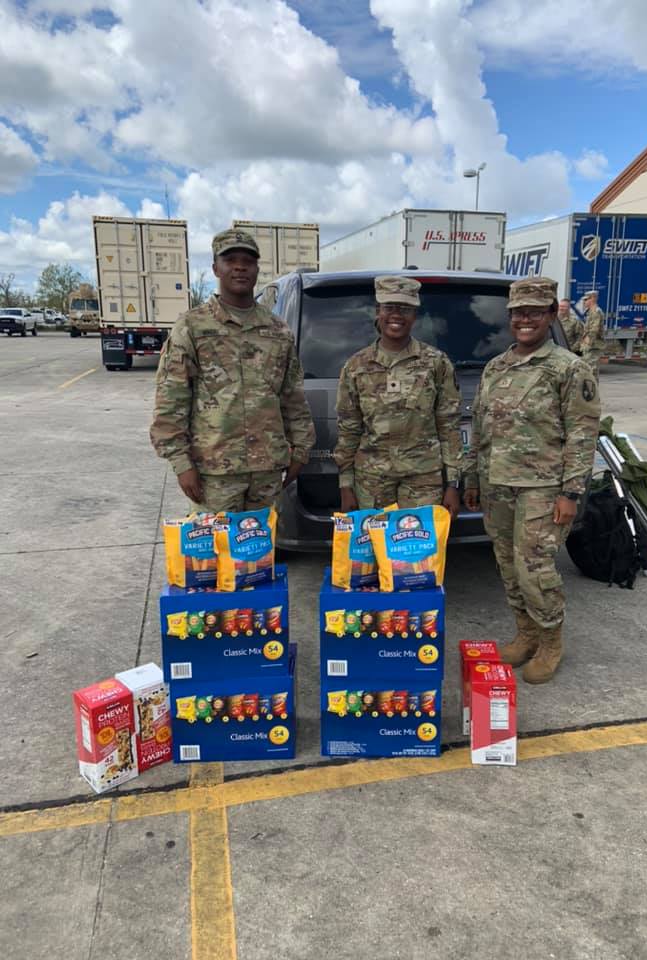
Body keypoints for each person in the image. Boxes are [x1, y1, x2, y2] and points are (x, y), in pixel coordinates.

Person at [463, 277, 600, 684]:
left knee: (534, 569)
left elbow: (582, 434)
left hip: (543, 487)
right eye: (518, 312)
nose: (525, 319)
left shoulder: (569, 368)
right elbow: (480, 427)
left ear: (551, 314)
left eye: (535, 312)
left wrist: (571, 492)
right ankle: (526, 635)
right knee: (508, 564)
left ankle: (550, 642)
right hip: (497, 484)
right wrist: (472, 477)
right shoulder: (497, 366)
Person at [150, 228, 315, 512]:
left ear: (257, 269)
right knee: (214, 541)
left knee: (264, 541)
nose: (240, 267)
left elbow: (292, 396)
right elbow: (171, 399)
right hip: (214, 472)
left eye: (248, 261)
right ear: (216, 268)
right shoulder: (192, 327)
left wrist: (300, 449)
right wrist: (181, 463)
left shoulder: (278, 331)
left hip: (267, 470)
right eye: (230, 260)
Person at [334, 275, 463, 517]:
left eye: (405, 309)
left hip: (423, 479)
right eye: (389, 307)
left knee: (417, 541)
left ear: (415, 315)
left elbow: (448, 426)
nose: (397, 315)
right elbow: (349, 429)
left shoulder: (435, 362)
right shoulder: (356, 366)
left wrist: (453, 484)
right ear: (377, 311)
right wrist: (346, 485)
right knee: (373, 541)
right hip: (372, 480)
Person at [579, 289, 605, 376]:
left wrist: (588, 342)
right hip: (590, 345)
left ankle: (592, 385)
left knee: (591, 370)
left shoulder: (596, 312)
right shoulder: (590, 311)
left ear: (593, 299)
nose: (584, 302)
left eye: (586, 299)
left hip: (593, 345)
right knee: (588, 369)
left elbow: (594, 329)